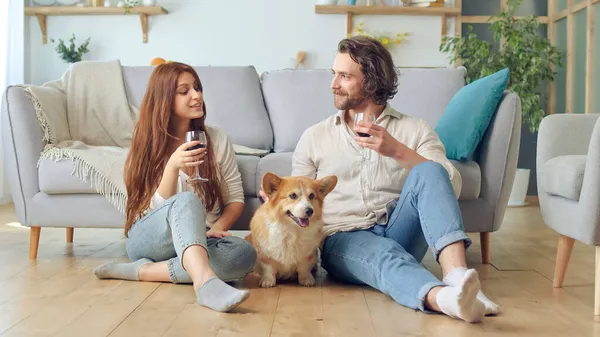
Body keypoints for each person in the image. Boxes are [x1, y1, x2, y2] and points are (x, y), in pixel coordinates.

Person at [260, 36, 499, 323]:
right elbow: (297, 200)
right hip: (344, 238)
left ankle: (457, 277)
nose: (333, 83)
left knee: (430, 169)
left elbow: (450, 185)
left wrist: (398, 151)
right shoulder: (315, 137)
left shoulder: (414, 130)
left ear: (372, 81)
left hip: (400, 229)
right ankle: (445, 299)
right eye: (333, 74)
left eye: (345, 76)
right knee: (382, 255)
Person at [93, 62, 256, 313]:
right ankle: (204, 283)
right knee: (187, 201)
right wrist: (171, 167)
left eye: (198, 88)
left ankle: (143, 271)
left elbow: (235, 199)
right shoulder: (146, 144)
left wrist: (219, 227)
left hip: (200, 238)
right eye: (185, 91)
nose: (197, 95)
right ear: (165, 99)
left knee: (244, 254)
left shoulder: (218, 139)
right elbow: (147, 212)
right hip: (150, 238)